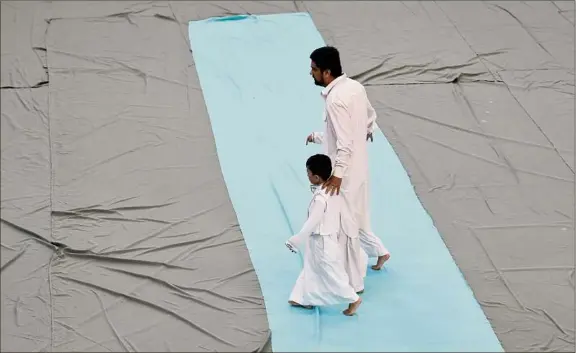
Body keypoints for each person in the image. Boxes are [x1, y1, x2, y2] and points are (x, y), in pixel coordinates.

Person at [305, 46, 391, 280]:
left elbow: (344, 142)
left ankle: (352, 280)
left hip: (345, 173)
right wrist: (319, 136)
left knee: (345, 225)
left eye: (314, 70)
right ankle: (379, 251)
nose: (311, 73)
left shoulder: (335, 100)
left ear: (327, 72)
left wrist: (338, 174)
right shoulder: (356, 88)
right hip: (360, 167)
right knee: (356, 217)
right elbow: (368, 119)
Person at [285, 154, 362, 316]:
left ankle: (352, 298)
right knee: (311, 268)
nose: (307, 176)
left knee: (331, 271)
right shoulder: (333, 191)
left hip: (322, 241)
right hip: (324, 238)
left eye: (308, 173)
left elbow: (313, 221)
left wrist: (296, 239)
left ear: (316, 177)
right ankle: (301, 298)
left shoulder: (321, 198)